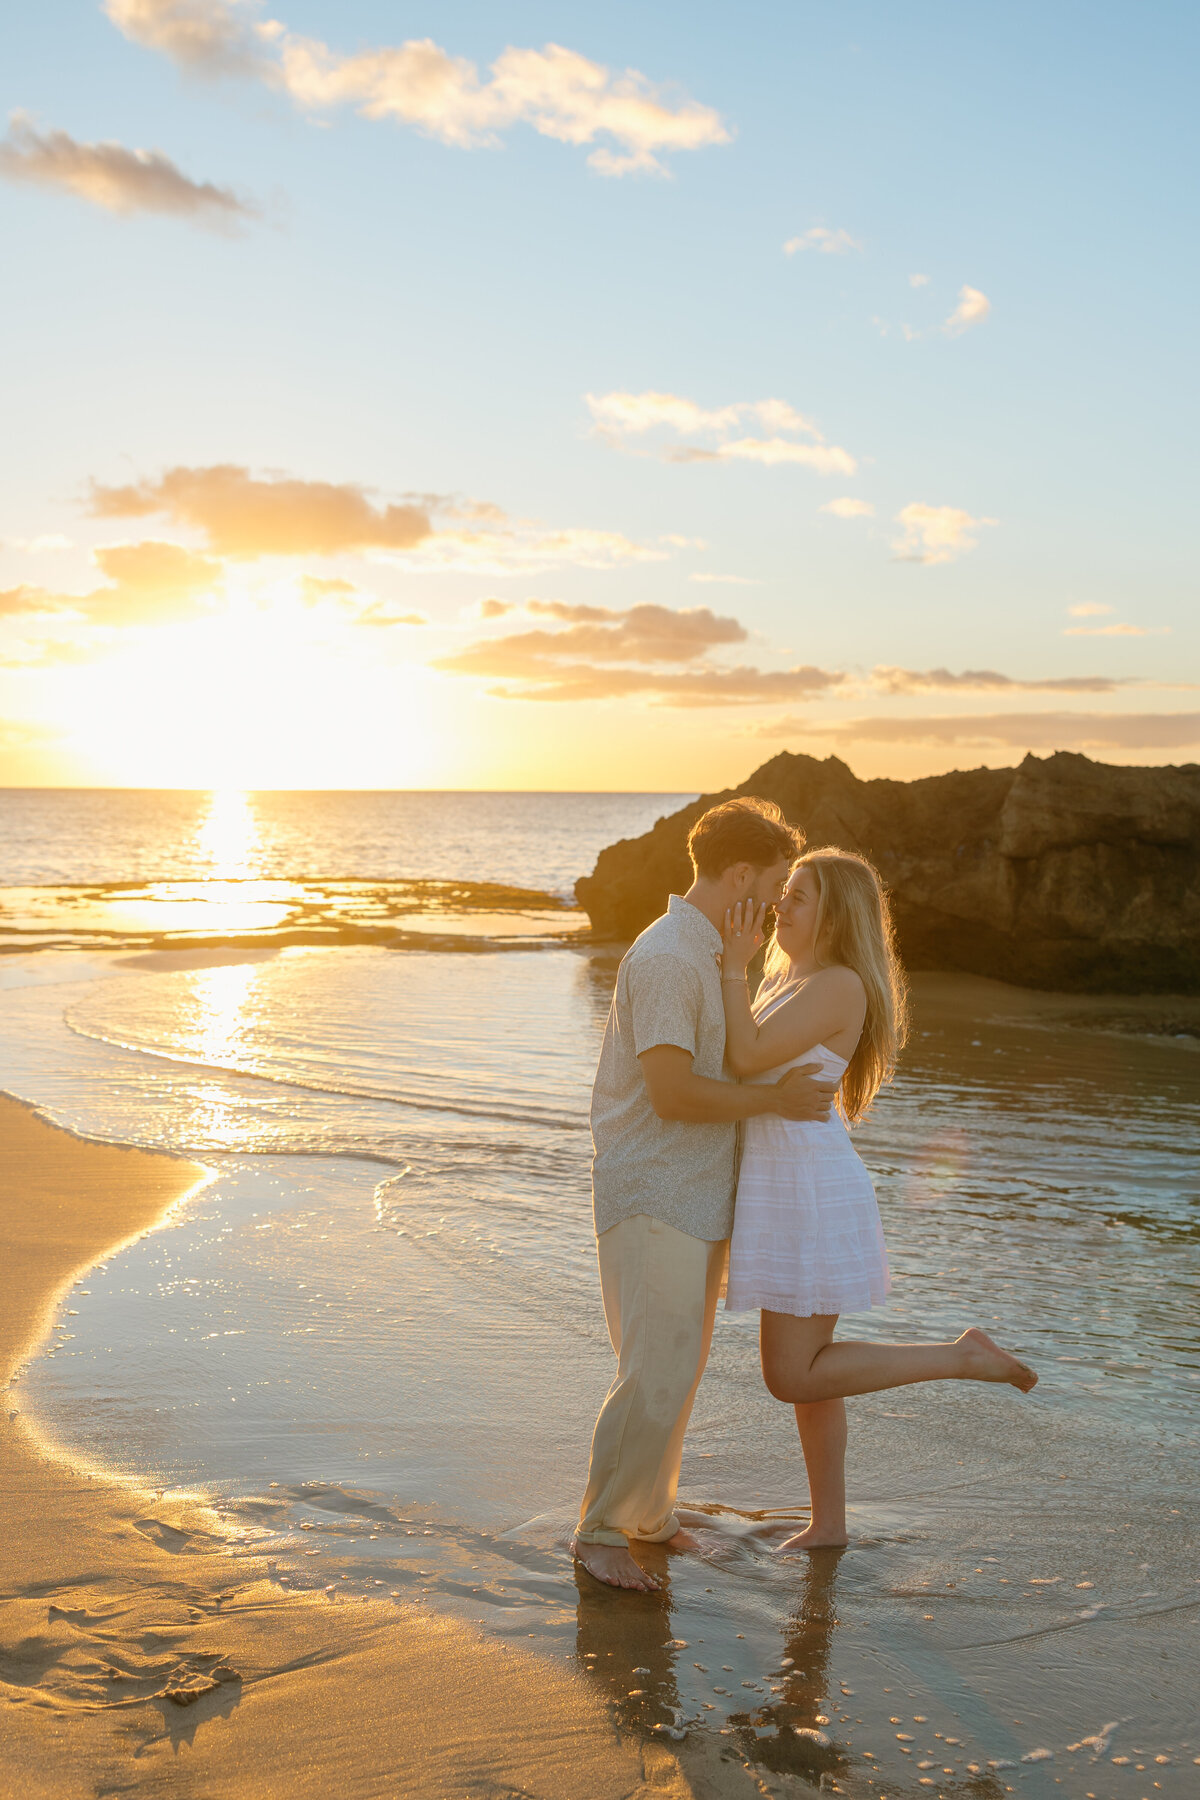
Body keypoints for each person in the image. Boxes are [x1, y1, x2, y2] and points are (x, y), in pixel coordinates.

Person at [720, 847, 1038, 1553]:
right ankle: (829, 1524)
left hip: (808, 1192)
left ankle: (962, 1358)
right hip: (786, 1187)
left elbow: (743, 1058)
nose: (779, 905)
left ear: (835, 916)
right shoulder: (789, 979)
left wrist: (729, 966)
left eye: (798, 896)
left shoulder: (838, 984)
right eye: (784, 891)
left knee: (792, 1375)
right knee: (813, 1372)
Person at [571, 797, 839, 1591]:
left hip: (691, 1196)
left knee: (675, 1368)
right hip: (655, 1192)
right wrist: (775, 1100)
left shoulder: (710, 953)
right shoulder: (668, 957)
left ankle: (649, 1515)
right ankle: (598, 1532)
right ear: (742, 875)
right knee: (653, 1370)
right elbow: (672, 1092)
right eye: (777, 883)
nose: (780, 900)